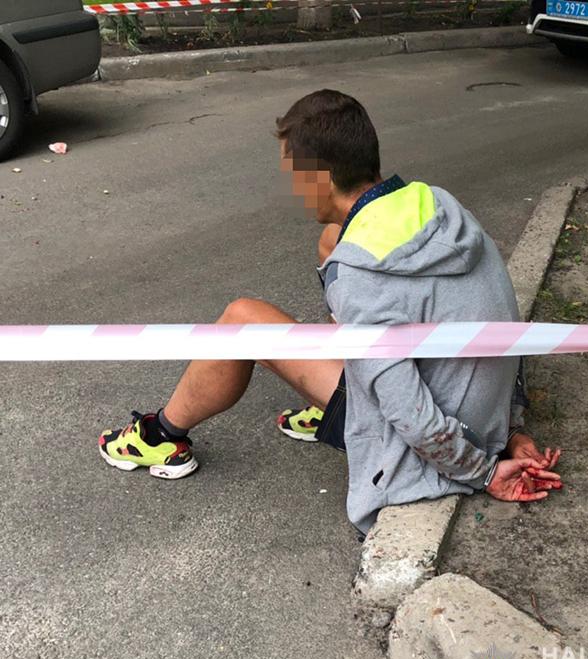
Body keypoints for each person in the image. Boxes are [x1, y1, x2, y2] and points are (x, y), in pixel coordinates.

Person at [99, 89, 562, 535]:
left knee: (243, 318)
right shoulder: (439, 203)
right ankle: (328, 402)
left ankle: (159, 436)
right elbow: (500, 322)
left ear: (319, 178)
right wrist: (508, 428)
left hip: (429, 436)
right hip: (481, 407)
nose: (290, 187)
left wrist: (484, 470)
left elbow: (407, 409)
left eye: (292, 174)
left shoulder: (358, 276)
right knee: (331, 242)